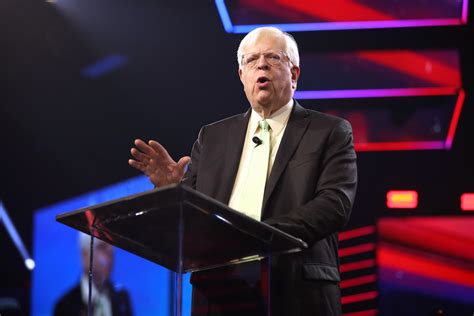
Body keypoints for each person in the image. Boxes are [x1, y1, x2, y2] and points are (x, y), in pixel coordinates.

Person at [129, 27, 357, 316]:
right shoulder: (212, 137)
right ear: (242, 76)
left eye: (273, 58)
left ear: (295, 74)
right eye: (251, 60)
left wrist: (260, 237)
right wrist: (175, 193)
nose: (261, 65)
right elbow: (196, 222)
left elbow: (335, 205)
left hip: (296, 292)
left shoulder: (329, 132)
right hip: (219, 293)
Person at [54, 233, 133, 316]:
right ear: (85, 255)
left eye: (111, 248)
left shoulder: (122, 298)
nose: (110, 255)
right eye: (102, 247)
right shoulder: (65, 306)